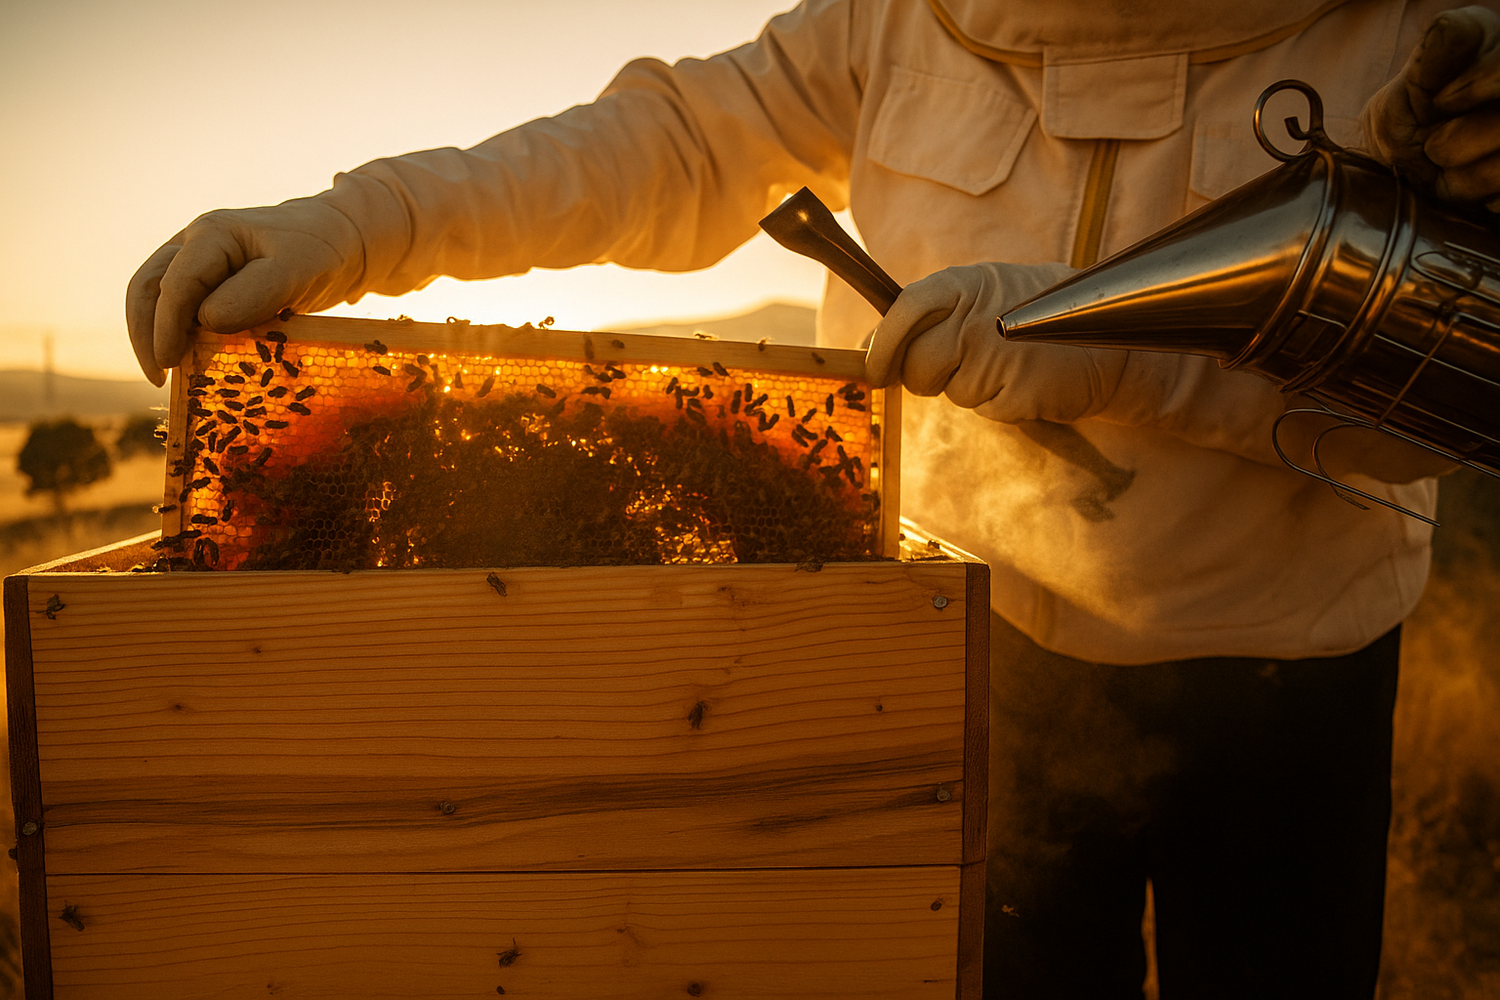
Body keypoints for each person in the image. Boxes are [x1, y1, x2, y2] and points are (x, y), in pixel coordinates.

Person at [125, 2, 1500, 996]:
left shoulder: (1414, 42)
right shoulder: (897, 22)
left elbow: (1429, 414)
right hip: (971, 653)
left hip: (1285, 675)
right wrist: (365, 222)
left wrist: (1091, 344)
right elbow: (665, 143)